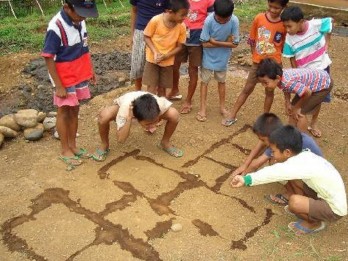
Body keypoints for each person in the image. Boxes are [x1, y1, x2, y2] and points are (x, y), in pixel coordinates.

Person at [231, 125, 347, 235]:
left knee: (294, 202)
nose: (272, 154)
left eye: (274, 151)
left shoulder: (297, 165)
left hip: (334, 208)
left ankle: (315, 223)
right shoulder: (304, 156)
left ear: (287, 152)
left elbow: (273, 173)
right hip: (323, 194)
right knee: (293, 181)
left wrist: (246, 179)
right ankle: (307, 207)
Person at [41, 0, 98, 170]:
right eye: (79, 13)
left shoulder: (81, 20)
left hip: (79, 70)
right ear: (67, 7)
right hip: (63, 76)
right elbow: (48, 57)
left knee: (75, 109)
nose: (82, 18)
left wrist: (90, 69)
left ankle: (73, 145)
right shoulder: (56, 27)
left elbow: (85, 47)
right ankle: (64, 149)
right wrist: (58, 85)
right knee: (64, 110)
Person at [232, 113, 322, 206]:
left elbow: (257, 164)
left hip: (315, 183)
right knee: (276, 160)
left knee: (278, 165)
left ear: (272, 136)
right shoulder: (286, 135)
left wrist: (244, 177)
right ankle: (299, 195)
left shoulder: (281, 144)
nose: (262, 142)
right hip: (314, 172)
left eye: (263, 140)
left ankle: (300, 199)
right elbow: (259, 147)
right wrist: (245, 165)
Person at [222, 0, 288, 127]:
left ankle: (264, 119)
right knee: (247, 89)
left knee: (269, 91)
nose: (273, 10)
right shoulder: (259, 18)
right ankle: (232, 115)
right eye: (271, 6)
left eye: (277, 8)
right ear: (267, 3)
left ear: (284, 7)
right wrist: (255, 56)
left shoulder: (284, 24)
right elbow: (252, 39)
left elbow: (284, 43)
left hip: (274, 64)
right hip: (258, 63)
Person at [281, 6, 333, 138]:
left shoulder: (315, 25)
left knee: (317, 99)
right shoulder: (289, 38)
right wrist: (298, 73)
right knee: (300, 105)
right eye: (285, 26)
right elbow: (292, 59)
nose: (287, 30)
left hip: (322, 67)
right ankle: (295, 131)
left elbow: (330, 22)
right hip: (305, 74)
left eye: (289, 26)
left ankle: (313, 124)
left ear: (301, 21)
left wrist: (327, 43)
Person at [91, 91, 183, 161]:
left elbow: (173, 115)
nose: (153, 126)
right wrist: (129, 118)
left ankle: (165, 142)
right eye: (148, 124)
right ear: (137, 118)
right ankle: (104, 145)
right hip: (127, 104)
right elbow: (120, 139)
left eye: (155, 121)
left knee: (174, 114)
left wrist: (154, 121)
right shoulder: (125, 109)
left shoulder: (161, 105)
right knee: (104, 116)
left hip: (146, 106)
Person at [256, 58, 332, 136]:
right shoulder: (281, 77)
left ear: (277, 78)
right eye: (262, 83)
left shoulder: (288, 82)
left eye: (265, 82)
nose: (264, 86)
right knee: (293, 108)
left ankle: (301, 140)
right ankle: (290, 135)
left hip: (322, 86)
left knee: (300, 113)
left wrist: (297, 107)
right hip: (310, 85)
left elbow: (307, 93)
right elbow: (285, 88)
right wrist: (288, 102)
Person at [196, 0, 239, 122]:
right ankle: (202, 108)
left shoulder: (234, 21)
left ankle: (222, 107)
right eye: (219, 19)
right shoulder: (209, 20)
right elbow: (204, 44)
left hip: (222, 58)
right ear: (214, 12)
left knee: (222, 81)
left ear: (231, 15)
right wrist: (226, 43)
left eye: (225, 20)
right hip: (208, 57)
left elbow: (235, 44)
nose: (222, 21)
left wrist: (214, 42)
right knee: (204, 82)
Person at [169, 0, 215, 112]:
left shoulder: (209, 1)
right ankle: (175, 89)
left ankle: (188, 100)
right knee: (174, 64)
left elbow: (210, 21)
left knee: (193, 69)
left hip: (197, 40)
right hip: (180, 36)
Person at [142, 0, 189, 97]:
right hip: (152, 60)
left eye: (186, 14)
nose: (185, 18)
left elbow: (180, 47)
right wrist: (155, 52)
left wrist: (167, 56)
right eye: (182, 15)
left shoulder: (182, 27)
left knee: (163, 89)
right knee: (151, 87)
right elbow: (146, 36)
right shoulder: (156, 20)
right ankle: (149, 109)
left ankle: (161, 110)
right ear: (170, 12)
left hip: (168, 62)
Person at [130, 0, 168, 91]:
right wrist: (132, 34)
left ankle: (153, 94)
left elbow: (168, 13)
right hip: (141, 31)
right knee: (138, 65)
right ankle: (137, 91)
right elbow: (134, 11)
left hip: (159, 33)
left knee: (156, 63)